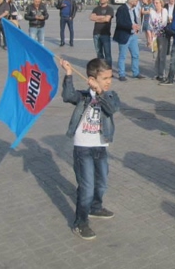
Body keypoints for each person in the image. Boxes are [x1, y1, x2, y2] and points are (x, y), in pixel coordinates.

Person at [59, 58, 119, 241]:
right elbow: (67, 96)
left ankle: (95, 206)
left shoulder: (111, 96)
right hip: (83, 147)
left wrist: (100, 92)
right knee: (86, 186)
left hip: (101, 147)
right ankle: (80, 223)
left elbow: (111, 109)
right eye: (105, 78)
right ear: (92, 79)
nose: (109, 81)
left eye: (110, 77)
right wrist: (68, 74)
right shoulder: (84, 97)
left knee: (101, 183)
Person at [113, 0, 144, 81]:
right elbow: (120, 23)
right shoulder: (121, 9)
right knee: (122, 56)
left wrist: (136, 27)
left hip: (133, 35)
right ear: (131, 1)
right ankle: (121, 74)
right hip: (124, 35)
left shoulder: (132, 9)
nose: (137, 2)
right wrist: (131, 26)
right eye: (136, 1)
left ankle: (135, 72)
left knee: (135, 54)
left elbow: (133, 20)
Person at [89, 0, 114, 68]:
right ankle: (102, 69)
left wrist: (97, 18)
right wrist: (102, 17)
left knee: (107, 54)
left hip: (105, 34)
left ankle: (109, 69)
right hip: (96, 33)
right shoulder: (96, 8)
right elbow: (91, 18)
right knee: (99, 53)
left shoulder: (110, 9)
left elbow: (107, 19)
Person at [149, 0, 170, 82]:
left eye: (157, 3)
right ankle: (156, 73)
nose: (156, 4)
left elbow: (164, 22)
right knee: (155, 55)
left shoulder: (164, 11)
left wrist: (156, 31)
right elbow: (150, 23)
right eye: (155, 3)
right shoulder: (152, 12)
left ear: (161, 3)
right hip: (154, 36)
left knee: (162, 55)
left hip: (162, 35)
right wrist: (152, 33)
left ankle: (162, 74)